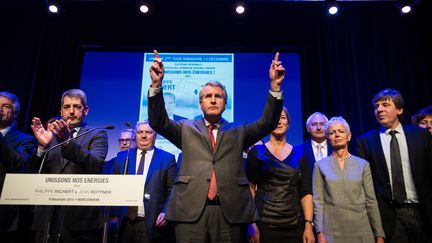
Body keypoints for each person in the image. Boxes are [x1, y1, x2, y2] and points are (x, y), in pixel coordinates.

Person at [148, 50, 285, 242]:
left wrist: (275, 87)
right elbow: (158, 121)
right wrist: (156, 84)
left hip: (229, 213)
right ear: (200, 104)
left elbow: (267, 123)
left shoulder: (238, 131)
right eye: (208, 96)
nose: (213, 100)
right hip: (189, 212)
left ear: (225, 103)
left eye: (218, 96)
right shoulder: (185, 128)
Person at [29, 88, 109, 242]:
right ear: (61, 110)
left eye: (77, 107)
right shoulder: (49, 135)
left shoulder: (97, 134)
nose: (71, 111)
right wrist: (41, 148)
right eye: (67, 107)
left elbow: (95, 164)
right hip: (46, 217)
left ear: (86, 110)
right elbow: (32, 172)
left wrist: (67, 142)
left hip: (78, 221)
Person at [356, 89, 432, 243]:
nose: (379, 109)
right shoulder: (365, 142)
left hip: (423, 212)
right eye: (376, 106)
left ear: (399, 109)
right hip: (390, 216)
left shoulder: (420, 135)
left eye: (385, 105)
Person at [246, 107, 314, 243]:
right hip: (264, 225)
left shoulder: (300, 154)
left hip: (295, 227)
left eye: (282, 117)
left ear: (288, 124)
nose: (278, 121)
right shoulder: (256, 152)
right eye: (274, 118)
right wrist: (250, 222)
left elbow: (305, 192)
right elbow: (250, 188)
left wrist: (308, 225)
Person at [314, 117, 385, 243]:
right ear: (328, 138)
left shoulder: (363, 165)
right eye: (332, 132)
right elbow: (318, 202)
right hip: (332, 230)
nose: (336, 135)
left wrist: (379, 235)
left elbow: (371, 201)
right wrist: (320, 233)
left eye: (341, 131)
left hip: (361, 229)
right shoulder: (320, 165)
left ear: (349, 136)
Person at [111, 120, 176, 243]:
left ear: (155, 135)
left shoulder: (167, 159)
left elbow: (172, 190)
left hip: (151, 222)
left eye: (148, 132)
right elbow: (115, 187)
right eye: (140, 132)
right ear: (135, 135)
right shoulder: (122, 157)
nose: (144, 135)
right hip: (125, 223)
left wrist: (166, 211)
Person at [0, 91, 37, 243]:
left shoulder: (26, 140)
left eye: (5, 106)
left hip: (4, 214)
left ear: (15, 113)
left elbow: (18, 164)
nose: (0, 109)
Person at [103, 128, 136, 243]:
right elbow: (105, 189)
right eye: (121, 140)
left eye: (128, 140)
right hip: (111, 218)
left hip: (133, 217)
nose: (125, 143)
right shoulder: (110, 163)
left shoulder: (140, 163)